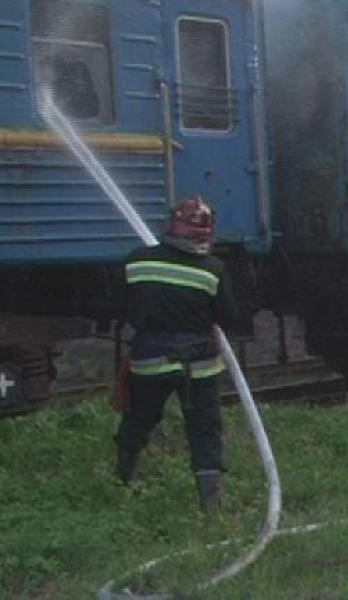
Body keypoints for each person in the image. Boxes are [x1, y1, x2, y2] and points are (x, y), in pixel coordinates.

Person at [113, 197, 237, 512]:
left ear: (173, 224)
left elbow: (122, 308)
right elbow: (229, 317)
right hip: (199, 365)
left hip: (148, 360)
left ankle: (121, 482)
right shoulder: (213, 270)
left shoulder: (138, 260)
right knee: (204, 429)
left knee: (138, 420)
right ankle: (211, 506)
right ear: (206, 233)